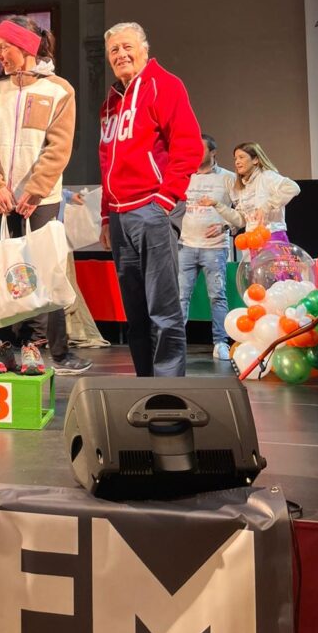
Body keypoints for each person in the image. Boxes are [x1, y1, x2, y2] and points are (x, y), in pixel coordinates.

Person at [0, 15, 91, 375]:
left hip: (40, 200)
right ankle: (3, 345)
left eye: (4, 47)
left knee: (39, 271)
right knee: (4, 270)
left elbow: (58, 147)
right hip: (1, 199)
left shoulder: (59, 90)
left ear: (25, 47)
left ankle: (32, 346)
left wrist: (35, 190)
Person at [99, 21, 202, 377]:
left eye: (127, 47)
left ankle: (169, 390)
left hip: (151, 209)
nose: (121, 54)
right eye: (114, 50)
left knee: (163, 310)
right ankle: (145, 385)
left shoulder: (165, 85)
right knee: (136, 314)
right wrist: (105, 216)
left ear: (144, 49)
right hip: (120, 216)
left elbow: (188, 147)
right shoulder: (110, 103)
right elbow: (106, 161)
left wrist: (164, 199)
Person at [178, 134, 236, 362]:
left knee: (217, 296)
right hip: (185, 245)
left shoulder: (228, 178)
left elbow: (242, 211)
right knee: (180, 296)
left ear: (213, 152)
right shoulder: (185, 176)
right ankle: (176, 343)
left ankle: (220, 343)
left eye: (200, 149)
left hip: (214, 247)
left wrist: (225, 226)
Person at [230, 142, 300, 242]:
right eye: (235, 159)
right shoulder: (244, 185)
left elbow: (293, 187)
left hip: (272, 235)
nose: (237, 162)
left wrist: (267, 206)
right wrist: (218, 205)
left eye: (241, 157)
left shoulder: (266, 176)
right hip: (252, 238)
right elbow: (242, 218)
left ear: (255, 160)